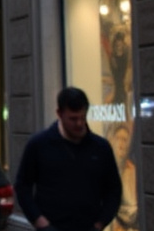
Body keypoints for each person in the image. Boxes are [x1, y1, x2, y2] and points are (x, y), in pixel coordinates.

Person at [15, 87, 122, 231]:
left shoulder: (100, 147)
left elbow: (114, 189)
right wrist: (40, 222)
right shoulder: (39, 145)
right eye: (73, 119)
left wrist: (100, 223)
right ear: (59, 114)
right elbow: (22, 186)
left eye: (82, 118)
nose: (79, 124)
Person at [108, 124, 138, 231]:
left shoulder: (131, 170)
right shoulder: (105, 168)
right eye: (118, 139)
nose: (121, 144)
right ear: (112, 141)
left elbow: (132, 210)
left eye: (124, 140)